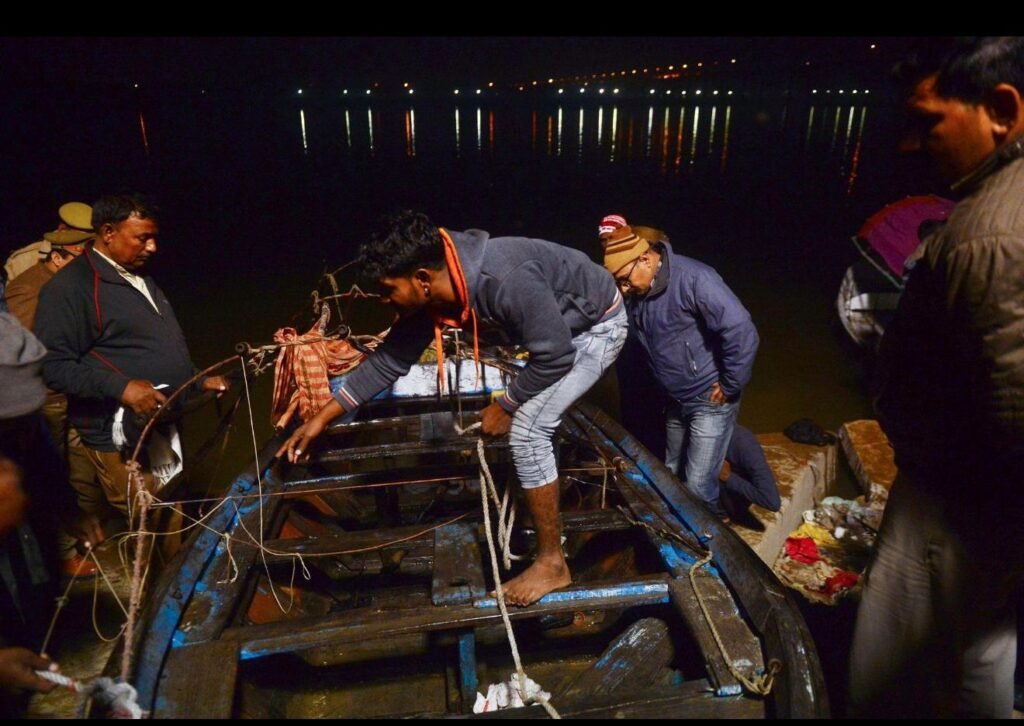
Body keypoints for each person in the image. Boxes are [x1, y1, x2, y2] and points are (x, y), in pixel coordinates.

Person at [278, 210, 628, 606]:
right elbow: (389, 362)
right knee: (527, 420)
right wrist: (320, 419)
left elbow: (555, 357)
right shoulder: (436, 295)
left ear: (422, 280)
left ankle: (552, 564)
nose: (383, 300)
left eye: (387, 289)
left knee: (529, 428)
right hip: (554, 334)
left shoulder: (505, 280)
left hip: (595, 329)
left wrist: (508, 404)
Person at [847, 37, 1024, 719]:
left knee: (904, 668)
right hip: (974, 493)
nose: (912, 146)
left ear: (1001, 110)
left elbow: (1016, 412)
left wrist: (984, 522)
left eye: (929, 122)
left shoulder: (990, 234)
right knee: (980, 653)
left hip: (960, 499)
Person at [33, 194, 230, 564]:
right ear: (107, 232)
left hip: (159, 421)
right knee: (149, 519)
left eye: (154, 237)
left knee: (173, 510)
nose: (153, 247)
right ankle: (156, 604)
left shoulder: (137, 276)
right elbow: (52, 365)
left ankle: (178, 585)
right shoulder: (71, 289)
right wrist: (121, 388)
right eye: (142, 237)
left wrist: (196, 379)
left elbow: (145, 343)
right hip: (117, 435)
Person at [602, 225, 759, 521]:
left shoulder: (696, 280)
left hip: (710, 399)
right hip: (675, 399)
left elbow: (741, 330)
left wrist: (730, 383)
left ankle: (711, 540)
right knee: (672, 472)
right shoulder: (642, 289)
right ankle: (685, 528)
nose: (624, 289)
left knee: (698, 486)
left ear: (646, 260)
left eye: (624, 280)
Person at [5, 222, 103, 576]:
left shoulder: (66, 282)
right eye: (81, 254)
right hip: (45, 396)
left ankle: (83, 538)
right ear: (61, 254)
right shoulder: (29, 287)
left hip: (71, 389)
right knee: (49, 471)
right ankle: (61, 557)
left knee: (81, 469)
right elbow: (25, 348)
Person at [3, 201, 93, 284]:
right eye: (80, 237)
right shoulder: (24, 260)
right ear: (62, 230)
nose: (85, 243)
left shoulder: (93, 256)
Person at [719, 424, 781, 515]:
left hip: (733, 494)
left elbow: (772, 501)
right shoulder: (695, 432)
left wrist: (729, 477)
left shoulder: (743, 444)